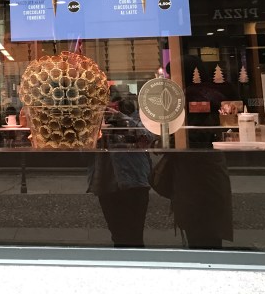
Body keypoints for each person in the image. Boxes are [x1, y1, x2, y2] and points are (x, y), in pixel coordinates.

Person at [166, 55, 234, 249]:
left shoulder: (192, 97)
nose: (170, 79)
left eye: (172, 74)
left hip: (196, 175)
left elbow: (192, 136)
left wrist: (168, 141)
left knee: (200, 231)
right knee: (208, 232)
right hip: (210, 171)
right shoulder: (215, 93)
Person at [88, 98, 152, 247]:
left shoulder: (137, 115)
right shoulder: (95, 118)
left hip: (134, 181)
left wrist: (121, 118)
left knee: (135, 234)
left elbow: (148, 137)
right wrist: (96, 130)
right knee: (117, 234)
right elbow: (83, 152)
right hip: (106, 182)